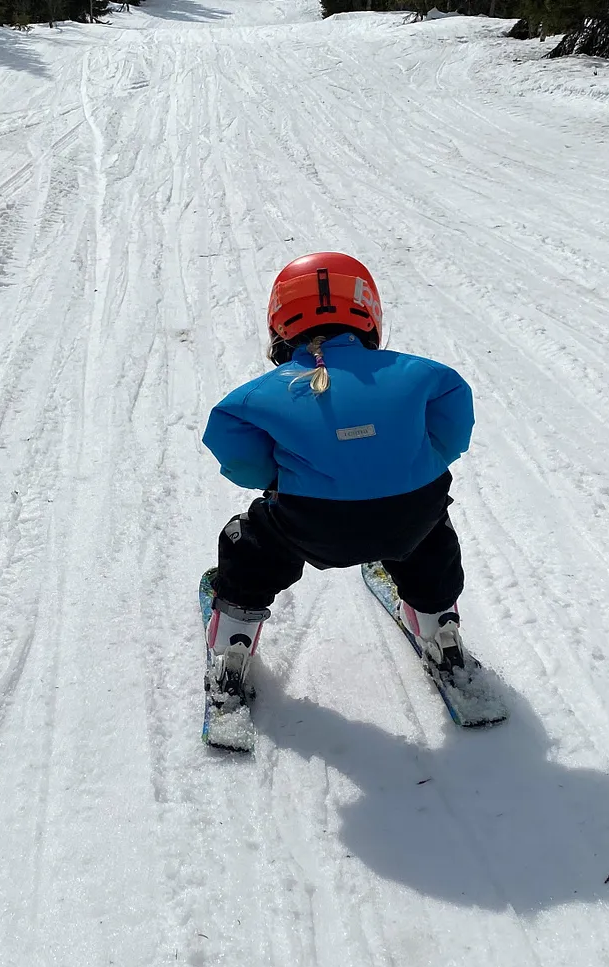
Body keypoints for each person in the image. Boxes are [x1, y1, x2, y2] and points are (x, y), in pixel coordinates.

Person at [202, 252, 475, 703]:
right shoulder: (427, 375)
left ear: (279, 325)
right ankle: (441, 633)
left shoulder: (259, 394)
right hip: (409, 516)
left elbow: (237, 454)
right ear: (369, 314)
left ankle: (232, 647)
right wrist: (413, 463)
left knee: (252, 546)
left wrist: (282, 477)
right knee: (430, 541)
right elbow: (452, 435)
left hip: (310, 523)